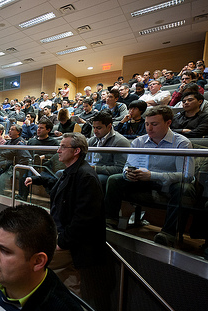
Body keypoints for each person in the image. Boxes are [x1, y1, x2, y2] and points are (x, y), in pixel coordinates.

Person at [24, 132, 105, 295]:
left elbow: (84, 218)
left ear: (77, 151)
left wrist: (62, 242)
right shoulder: (72, 171)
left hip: (73, 244)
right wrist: (39, 179)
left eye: (63, 146)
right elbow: (61, 188)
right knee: (69, 282)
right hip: (65, 237)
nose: (58, 151)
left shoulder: (86, 176)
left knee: (29, 266)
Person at [105, 106, 195, 246]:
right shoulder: (139, 142)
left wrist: (152, 175)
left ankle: (169, 234)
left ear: (168, 123)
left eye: (154, 124)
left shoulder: (181, 143)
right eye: (147, 124)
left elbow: (187, 175)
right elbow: (127, 166)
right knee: (115, 180)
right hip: (143, 180)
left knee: (183, 188)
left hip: (168, 184)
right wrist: (128, 174)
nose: (149, 128)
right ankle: (110, 221)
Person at [86, 111, 130, 189]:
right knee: (62, 174)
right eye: (94, 127)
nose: (95, 131)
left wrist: (96, 168)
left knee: (89, 179)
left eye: (99, 128)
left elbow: (120, 168)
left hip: (106, 175)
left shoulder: (120, 141)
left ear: (109, 127)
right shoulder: (92, 140)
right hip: (90, 171)